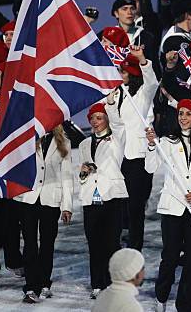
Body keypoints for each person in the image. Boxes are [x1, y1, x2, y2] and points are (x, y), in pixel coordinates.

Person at [145, 99, 191, 312]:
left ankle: (186, 305)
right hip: (173, 207)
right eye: (180, 114)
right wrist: (151, 145)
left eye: (188, 114)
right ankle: (162, 296)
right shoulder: (166, 142)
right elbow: (150, 167)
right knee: (170, 256)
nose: (183, 118)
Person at [15, 125, 73, 303]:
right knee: (30, 243)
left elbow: (67, 176)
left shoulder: (64, 142)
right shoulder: (27, 138)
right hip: (29, 199)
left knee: (48, 243)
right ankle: (31, 285)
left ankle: (44, 281)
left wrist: (67, 206)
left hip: (51, 199)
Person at [79, 92, 128, 299]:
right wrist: (83, 173)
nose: (95, 122)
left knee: (111, 243)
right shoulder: (83, 144)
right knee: (94, 243)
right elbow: (82, 176)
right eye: (92, 119)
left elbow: (118, 123)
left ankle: (113, 283)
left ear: (106, 119)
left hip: (113, 197)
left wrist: (109, 103)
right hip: (91, 198)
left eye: (99, 118)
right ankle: (97, 284)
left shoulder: (116, 138)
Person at [115, 48, 159, 251]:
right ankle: (118, 240)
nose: (119, 75)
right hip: (117, 156)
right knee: (117, 203)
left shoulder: (143, 94)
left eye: (123, 72)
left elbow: (152, 82)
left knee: (135, 206)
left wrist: (142, 59)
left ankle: (135, 246)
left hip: (138, 156)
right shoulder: (115, 94)